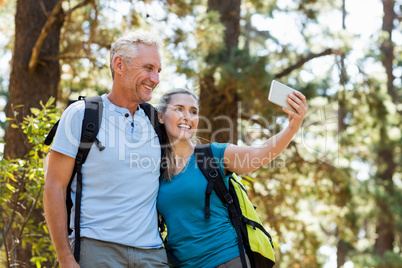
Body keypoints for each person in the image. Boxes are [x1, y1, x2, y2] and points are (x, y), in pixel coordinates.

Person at [43, 31, 169, 268]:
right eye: (149, 68)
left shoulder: (157, 121)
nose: (155, 79)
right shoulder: (81, 115)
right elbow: (54, 187)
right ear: (119, 65)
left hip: (153, 254)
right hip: (96, 251)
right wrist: (65, 258)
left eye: (158, 71)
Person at [156, 88, 307, 268]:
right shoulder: (154, 172)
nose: (187, 116)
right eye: (179, 109)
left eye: (193, 112)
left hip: (227, 260)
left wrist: (292, 128)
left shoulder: (213, 155)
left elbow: (259, 153)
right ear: (160, 116)